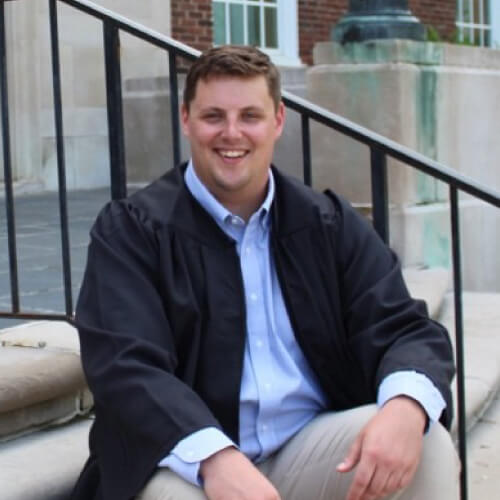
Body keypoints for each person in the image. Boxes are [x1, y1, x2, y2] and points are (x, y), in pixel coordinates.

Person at [72, 45, 459, 500]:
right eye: (213, 116)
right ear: (186, 119)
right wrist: (214, 457)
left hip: (306, 447)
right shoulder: (135, 231)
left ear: (277, 120)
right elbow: (125, 364)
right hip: (186, 459)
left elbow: (403, 326)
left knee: (426, 441)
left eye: (250, 116)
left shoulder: (326, 224)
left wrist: (405, 407)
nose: (232, 133)